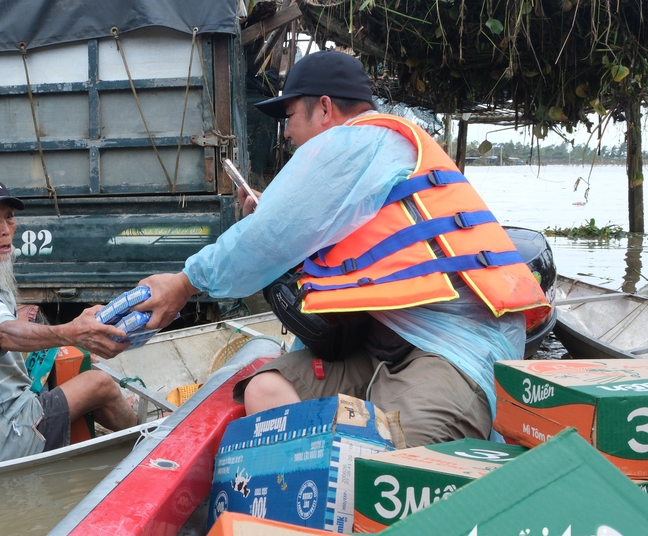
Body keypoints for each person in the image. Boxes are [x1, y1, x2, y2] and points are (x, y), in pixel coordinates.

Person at [135, 50, 549, 447]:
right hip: (378, 345)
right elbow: (306, 238)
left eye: (291, 116)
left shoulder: (359, 142)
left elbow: (269, 237)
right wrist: (270, 218)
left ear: (326, 109)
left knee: (400, 459)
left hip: (446, 351)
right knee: (266, 392)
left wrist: (185, 283)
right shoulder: (372, 155)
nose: (289, 133)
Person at [0, 175, 137, 468]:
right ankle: (148, 434)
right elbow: (6, 334)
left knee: (80, 363)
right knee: (99, 383)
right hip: (1, 440)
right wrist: (73, 332)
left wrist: (70, 336)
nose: (6, 230)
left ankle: (120, 420)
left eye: (9, 218)